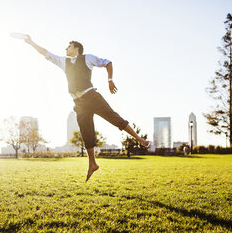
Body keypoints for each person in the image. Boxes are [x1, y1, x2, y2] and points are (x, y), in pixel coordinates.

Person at [24, 36, 150, 181]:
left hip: (92, 97)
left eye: (68, 46)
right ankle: (92, 164)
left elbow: (108, 63)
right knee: (86, 133)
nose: (66, 48)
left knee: (113, 117)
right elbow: (45, 53)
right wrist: (31, 42)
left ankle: (139, 139)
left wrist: (110, 80)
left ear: (76, 48)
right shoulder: (63, 61)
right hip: (79, 103)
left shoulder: (88, 58)